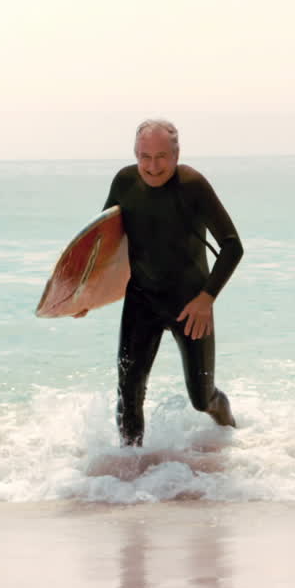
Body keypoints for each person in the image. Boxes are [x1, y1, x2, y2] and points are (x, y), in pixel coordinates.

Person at [85, 119, 243, 446]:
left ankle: (227, 424)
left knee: (202, 397)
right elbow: (103, 244)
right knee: (129, 392)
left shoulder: (192, 184)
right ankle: (130, 472)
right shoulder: (124, 182)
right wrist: (84, 294)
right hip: (142, 299)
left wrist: (206, 299)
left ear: (176, 154)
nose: (152, 167)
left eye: (161, 157)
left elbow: (232, 245)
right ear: (135, 154)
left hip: (190, 304)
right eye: (144, 156)